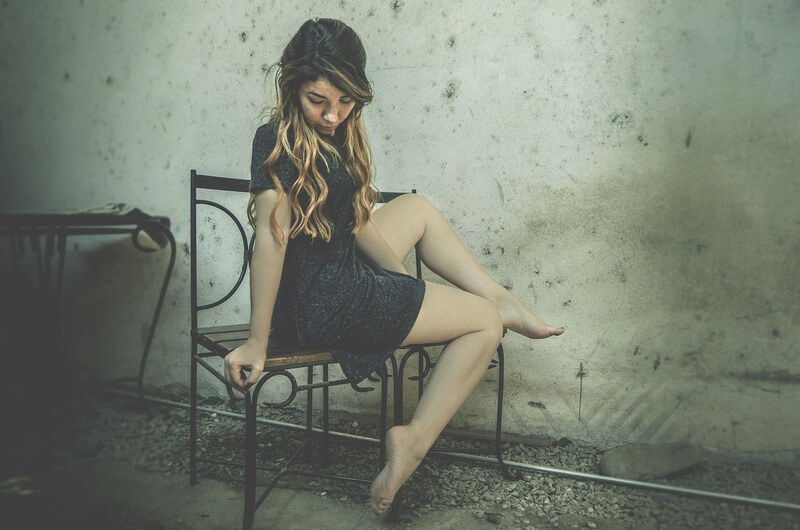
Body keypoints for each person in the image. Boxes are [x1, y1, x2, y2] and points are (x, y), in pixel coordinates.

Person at [223, 17, 565, 516]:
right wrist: (257, 340)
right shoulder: (277, 139)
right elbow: (272, 241)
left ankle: (500, 297)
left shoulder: (334, 133)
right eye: (318, 100)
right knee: (484, 323)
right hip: (323, 305)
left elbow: (354, 221)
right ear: (292, 85)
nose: (332, 114)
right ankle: (413, 442)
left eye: (345, 101)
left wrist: (400, 284)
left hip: (334, 275)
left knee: (417, 208)